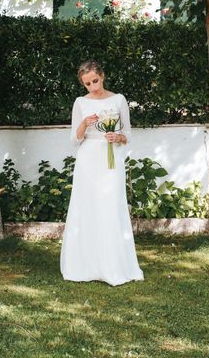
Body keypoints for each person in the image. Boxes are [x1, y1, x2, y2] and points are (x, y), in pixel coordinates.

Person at [60, 60, 144, 286]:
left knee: (110, 205)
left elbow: (128, 133)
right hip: (88, 159)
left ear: (102, 76)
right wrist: (84, 124)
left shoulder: (118, 100)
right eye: (87, 84)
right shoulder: (80, 102)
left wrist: (119, 137)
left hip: (111, 158)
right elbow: (74, 140)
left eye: (95, 81)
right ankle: (86, 264)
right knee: (87, 206)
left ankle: (113, 264)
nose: (93, 87)